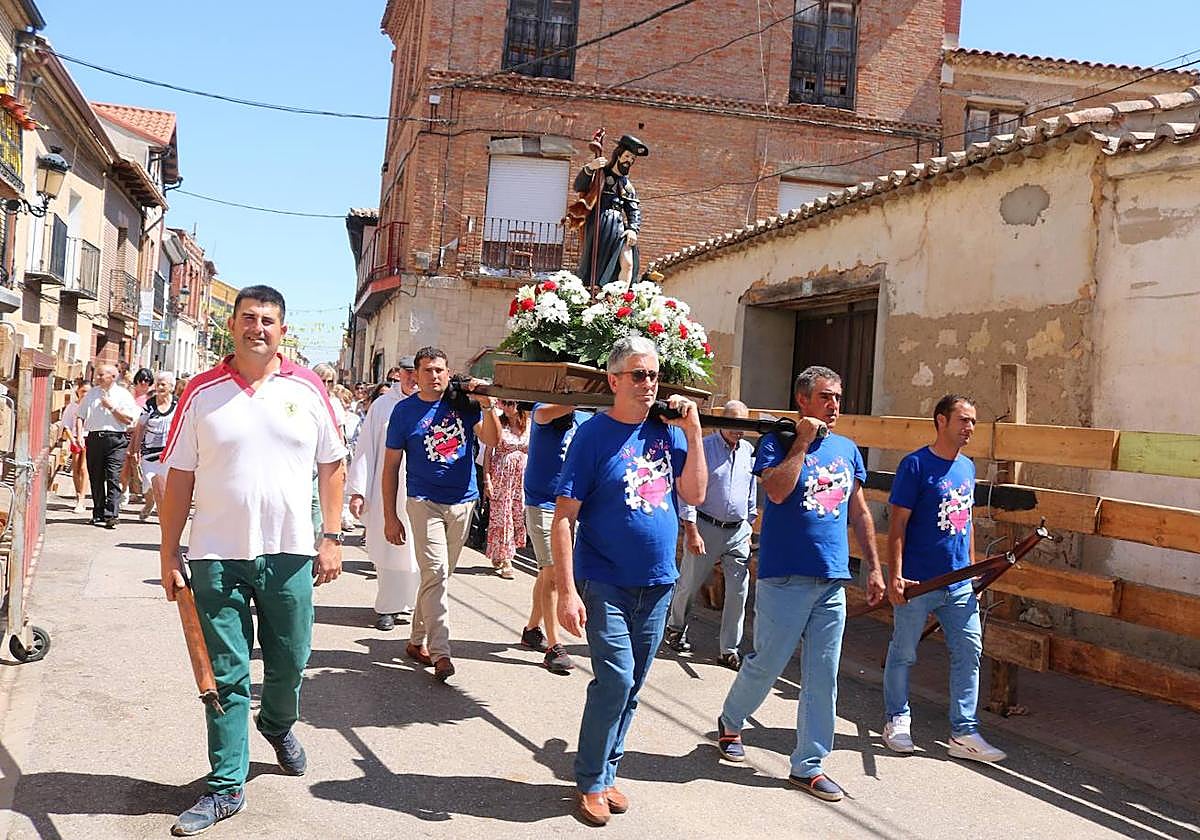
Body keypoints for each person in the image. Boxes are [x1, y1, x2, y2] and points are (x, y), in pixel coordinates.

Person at [158, 284, 347, 836]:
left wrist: (330, 536)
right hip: (217, 556)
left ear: (282, 330)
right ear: (232, 326)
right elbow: (178, 477)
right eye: (247, 318)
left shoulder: (308, 389)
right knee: (226, 673)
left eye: (267, 320)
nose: (256, 328)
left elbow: (331, 465)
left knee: (290, 662)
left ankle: (278, 721)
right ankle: (225, 786)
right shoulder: (202, 392)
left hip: (289, 554)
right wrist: (170, 551)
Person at [553, 336, 706, 826]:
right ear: (614, 380)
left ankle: (608, 770)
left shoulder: (670, 433)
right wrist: (566, 590)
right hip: (606, 581)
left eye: (655, 375)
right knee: (615, 679)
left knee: (633, 684)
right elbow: (563, 518)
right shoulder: (592, 436)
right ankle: (591, 780)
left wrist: (695, 431)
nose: (649, 384)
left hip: (659, 582)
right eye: (638, 375)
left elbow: (696, 493)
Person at [715, 366, 884, 804]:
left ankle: (808, 765)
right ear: (802, 400)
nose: (834, 406)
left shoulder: (848, 450)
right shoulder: (777, 441)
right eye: (825, 397)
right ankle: (732, 720)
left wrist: (875, 568)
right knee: (767, 662)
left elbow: (859, 512)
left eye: (838, 398)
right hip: (785, 575)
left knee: (823, 674)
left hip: (831, 580)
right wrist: (803, 442)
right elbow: (776, 492)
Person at [882, 394, 1006, 763]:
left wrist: (972, 575)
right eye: (963, 420)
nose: (969, 428)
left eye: (973, 422)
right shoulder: (915, 465)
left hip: (958, 584)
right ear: (941, 421)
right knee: (904, 652)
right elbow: (897, 524)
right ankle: (897, 720)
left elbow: (965, 526)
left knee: (970, 652)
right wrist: (896, 576)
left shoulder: (967, 468)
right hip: (919, 582)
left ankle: (964, 732)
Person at [381, 347, 500, 682]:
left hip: (463, 502)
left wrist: (487, 404)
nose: (434, 376)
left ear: (448, 373)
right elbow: (390, 467)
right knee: (434, 571)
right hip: (423, 502)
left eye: (440, 370)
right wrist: (390, 516)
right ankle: (441, 652)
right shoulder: (404, 413)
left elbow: (492, 438)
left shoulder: (464, 406)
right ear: (415, 375)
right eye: (427, 370)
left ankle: (416, 640)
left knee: (439, 577)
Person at [664, 400, 757, 670]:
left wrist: (749, 524)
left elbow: (751, 489)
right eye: (734, 426)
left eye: (743, 427)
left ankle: (729, 648)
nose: (738, 432)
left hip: (737, 529)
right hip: (706, 526)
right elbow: (688, 490)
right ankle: (675, 626)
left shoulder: (748, 451)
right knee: (690, 581)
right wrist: (691, 529)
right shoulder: (704, 447)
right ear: (722, 423)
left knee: (739, 590)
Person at [348, 365, 420, 632]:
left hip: (419, 490)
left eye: (417, 372)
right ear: (399, 374)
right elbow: (365, 448)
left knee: (417, 548)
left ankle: (413, 605)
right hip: (387, 489)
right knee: (389, 547)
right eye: (408, 372)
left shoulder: (430, 403)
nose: (413, 378)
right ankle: (388, 606)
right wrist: (358, 490)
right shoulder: (382, 405)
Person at [520, 402, 589, 674]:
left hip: (571, 506)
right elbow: (547, 412)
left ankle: (531, 630)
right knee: (554, 571)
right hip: (543, 504)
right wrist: (582, 395)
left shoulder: (584, 418)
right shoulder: (543, 411)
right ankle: (554, 646)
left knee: (546, 572)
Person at [574, 133, 649, 287]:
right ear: (618, 154)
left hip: (620, 227)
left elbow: (633, 210)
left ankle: (620, 300)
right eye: (627, 156)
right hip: (600, 223)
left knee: (628, 263)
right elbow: (579, 186)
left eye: (632, 159)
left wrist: (633, 229)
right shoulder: (600, 174)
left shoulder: (628, 186)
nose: (629, 161)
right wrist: (590, 168)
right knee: (598, 264)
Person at [78, 364, 139, 528]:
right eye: (97, 375)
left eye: (101, 375)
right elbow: (80, 415)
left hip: (116, 439)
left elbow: (129, 420)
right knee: (96, 477)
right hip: (94, 438)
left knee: (113, 476)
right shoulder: (92, 393)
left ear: (113, 376)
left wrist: (112, 407)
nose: (97, 378)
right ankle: (98, 512)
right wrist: (79, 435)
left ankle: (111, 514)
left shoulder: (123, 395)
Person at [483, 400, 529, 580]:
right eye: (505, 404)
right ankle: (507, 558)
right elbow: (488, 452)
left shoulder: (529, 426)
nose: (507, 407)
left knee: (517, 515)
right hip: (502, 477)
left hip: (521, 479)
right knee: (503, 517)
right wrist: (487, 479)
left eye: (511, 404)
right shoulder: (499, 424)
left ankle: (499, 552)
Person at [130, 371, 178, 521]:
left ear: (171, 387)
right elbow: (140, 427)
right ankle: (149, 503)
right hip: (149, 452)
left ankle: (164, 516)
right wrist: (135, 449)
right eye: (158, 384)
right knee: (148, 483)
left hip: (169, 453)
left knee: (164, 485)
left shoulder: (177, 404)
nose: (160, 387)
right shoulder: (149, 405)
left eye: (163, 384)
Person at [60, 379, 90, 514]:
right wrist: (72, 439)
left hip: (89, 438)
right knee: (76, 468)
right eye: (83, 391)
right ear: (78, 391)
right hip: (75, 438)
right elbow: (66, 424)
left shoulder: (93, 407)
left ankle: (81, 499)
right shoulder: (72, 407)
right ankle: (78, 493)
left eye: (88, 392)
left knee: (84, 468)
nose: (85, 394)